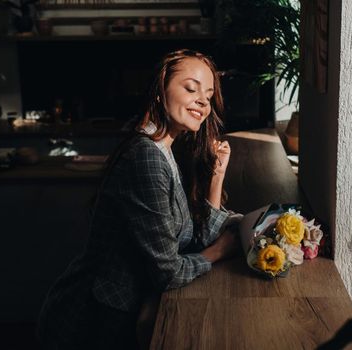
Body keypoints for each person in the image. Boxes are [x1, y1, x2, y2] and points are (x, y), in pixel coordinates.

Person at [37, 49, 242, 349]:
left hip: (122, 313)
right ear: (160, 91)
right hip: (94, 320)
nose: (203, 101)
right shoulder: (146, 157)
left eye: (209, 95)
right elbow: (168, 272)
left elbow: (190, 240)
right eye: (191, 88)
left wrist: (217, 175)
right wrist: (219, 252)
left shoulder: (163, 151)